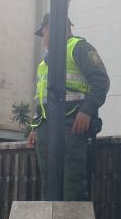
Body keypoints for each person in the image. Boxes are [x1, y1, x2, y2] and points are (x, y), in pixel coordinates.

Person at [27, 12, 110, 201]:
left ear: (54, 28)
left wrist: (87, 111)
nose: (44, 38)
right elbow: (41, 99)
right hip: (47, 127)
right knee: (49, 183)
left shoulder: (78, 48)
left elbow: (100, 81)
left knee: (72, 183)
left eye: (44, 32)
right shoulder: (45, 62)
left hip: (71, 123)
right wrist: (35, 127)